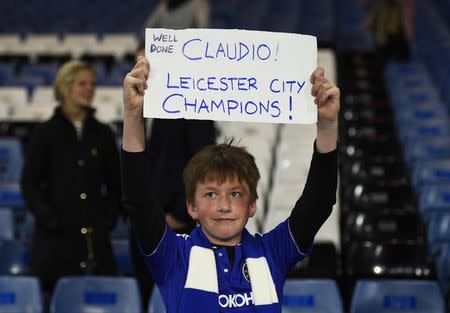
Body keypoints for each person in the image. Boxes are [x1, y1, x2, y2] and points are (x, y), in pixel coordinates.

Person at [121, 56, 339, 312]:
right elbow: (138, 200)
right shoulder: (174, 256)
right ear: (191, 206)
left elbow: (319, 203)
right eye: (211, 194)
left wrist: (327, 125)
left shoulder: (272, 252)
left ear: (252, 205)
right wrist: (133, 115)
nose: (224, 205)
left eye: (235, 194)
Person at [21, 60, 121, 293]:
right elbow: (30, 183)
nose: (89, 89)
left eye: (92, 84)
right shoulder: (44, 133)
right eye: (82, 83)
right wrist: (50, 219)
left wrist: (109, 217)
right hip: (55, 242)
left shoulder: (103, 133)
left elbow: (116, 183)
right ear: (64, 88)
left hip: (97, 239)